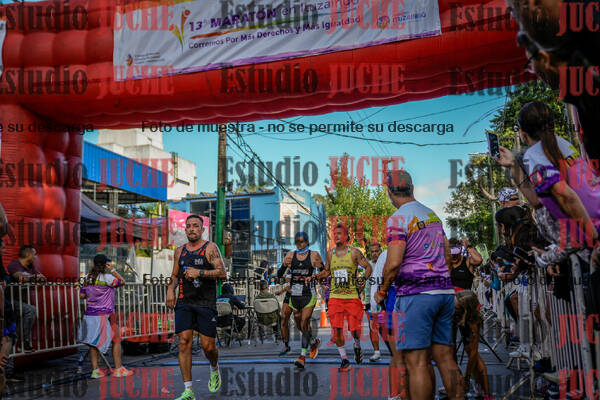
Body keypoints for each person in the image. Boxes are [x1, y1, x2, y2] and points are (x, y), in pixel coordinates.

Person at [375, 169, 464, 400]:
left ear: (389, 192)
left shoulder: (398, 219)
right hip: (443, 292)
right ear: (412, 188)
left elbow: (393, 263)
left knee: (417, 362)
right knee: (445, 358)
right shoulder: (431, 214)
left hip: (416, 294)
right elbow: (446, 253)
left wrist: (382, 290)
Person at [495, 101, 600, 247]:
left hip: (591, 230)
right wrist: (513, 165)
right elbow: (538, 201)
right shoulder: (563, 143)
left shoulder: (533, 154)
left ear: (523, 134)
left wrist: (595, 238)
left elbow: (565, 196)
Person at [166, 215, 227, 400]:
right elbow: (174, 276)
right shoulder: (180, 251)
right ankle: (188, 391)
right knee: (184, 343)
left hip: (205, 303)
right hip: (184, 302)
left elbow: (222, 273)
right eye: (189, 226)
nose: (192, 229)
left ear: (202, 230)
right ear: (185, 229)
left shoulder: (210, 248)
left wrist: (199, 272)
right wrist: (170, 290)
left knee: (208, 347)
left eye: (196, 226)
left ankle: (214, 368)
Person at [315, 223, 372, 371]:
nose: (336, 236)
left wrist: (363, 279)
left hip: (352, 297)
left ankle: (357, 345)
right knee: (337, 330)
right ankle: (344, 360)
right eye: (335, 234)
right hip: (335, 297)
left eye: (339, 233)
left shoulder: (354, 253)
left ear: (346, 236)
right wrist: (317, 276)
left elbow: (368, 267)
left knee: (354, 330)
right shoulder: (330, 254)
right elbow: (327, 271)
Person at [78, 254, 132, 378]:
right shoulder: (108, 278)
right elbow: (122, 282)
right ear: (106, 265)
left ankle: (96, 371)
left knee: (93, 342)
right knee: (116, 339)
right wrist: (113, 270)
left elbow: (82, 296)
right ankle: (118, 369)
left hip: (90, 314)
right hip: (106, 314)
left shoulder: (86, 278)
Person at [283, 231, 323, 369]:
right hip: (295, 295)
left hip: (309, 294)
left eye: (302, 241)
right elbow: (281, 273)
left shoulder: (314, 255)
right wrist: (284, 266)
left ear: (307, 242)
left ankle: (302, 356)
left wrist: (316, 278)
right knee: (300, 325)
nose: (299, 244)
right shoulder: (290, 255)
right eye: (297, 242)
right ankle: (313, 341)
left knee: (305, 321)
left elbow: (324, 271)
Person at [6, 245, 45, 352]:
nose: (36, 257)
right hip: (9, 301)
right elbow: (20, 277)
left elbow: (43, 278)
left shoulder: (31, 267)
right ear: (28, 254)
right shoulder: (14, 264)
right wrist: (34, 277)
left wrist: (36, 277)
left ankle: (18, 344)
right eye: (34, 254)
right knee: (30, 310)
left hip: (20, 301)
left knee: (26, 314)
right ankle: (24, 342)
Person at [454, 290, 491, 399]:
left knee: (475, 359)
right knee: (452, 355)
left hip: (469, 341)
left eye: (456, 306)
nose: (453, 306)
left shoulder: (473, 323)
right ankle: (478, 388)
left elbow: (474, 353)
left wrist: (467, 376)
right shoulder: (458, 312)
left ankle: (486, 393)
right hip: (461, 331)